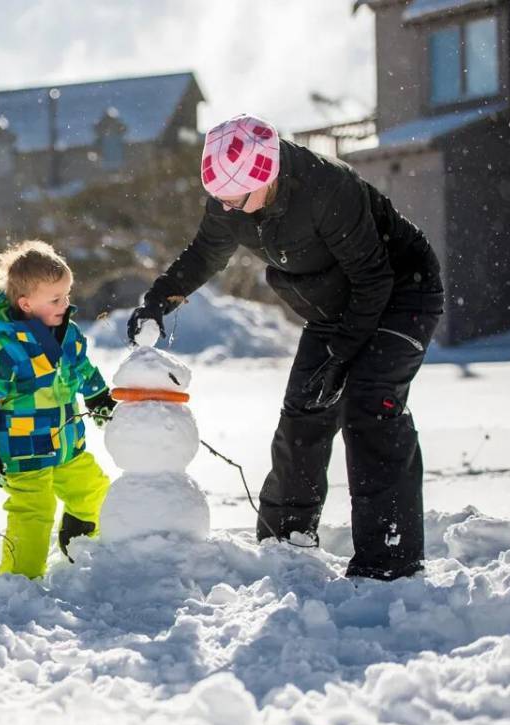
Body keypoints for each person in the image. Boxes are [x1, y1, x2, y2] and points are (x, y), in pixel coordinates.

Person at [127, 114, 444, 580]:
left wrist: (339, 359)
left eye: (237, 198)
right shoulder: (229, 201)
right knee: (303, 410)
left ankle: (390, 561)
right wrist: (158, 299)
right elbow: (204, 255)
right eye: (221, 199)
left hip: (399, 292)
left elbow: (373, 280)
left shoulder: (327, 190)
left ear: (267, 175)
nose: (228, 208)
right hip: (334, 305)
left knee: (369, 405)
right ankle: (286, 539)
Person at [0, 240, 117, 578]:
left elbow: (83, 370)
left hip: (66, 446)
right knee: (34, 510)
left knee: (95, 489)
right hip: (24, 450)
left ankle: (78, 540)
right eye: (56, 299)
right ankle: (20, 579)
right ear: (26, 303)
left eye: (66, 295)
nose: (66, 304)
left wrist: (99, 397)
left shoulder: (69, 335)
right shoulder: (4, 348)